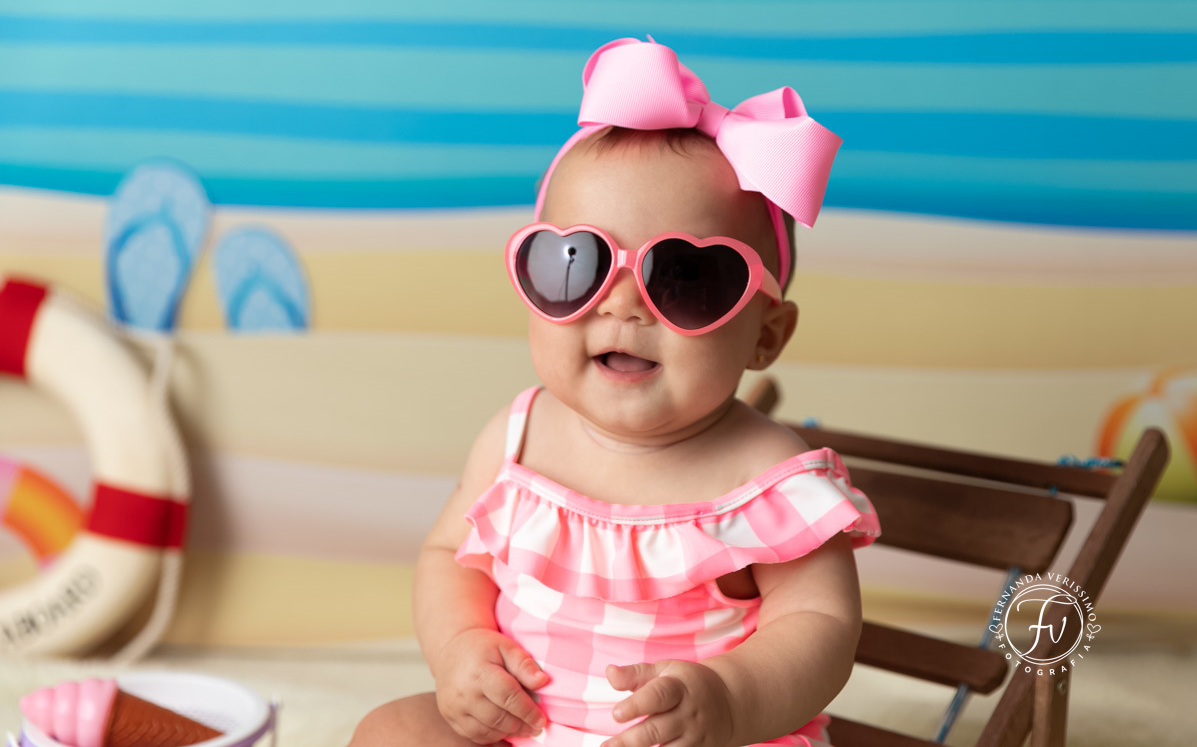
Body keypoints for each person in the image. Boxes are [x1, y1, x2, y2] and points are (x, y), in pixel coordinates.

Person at [350, 37, 880, 747]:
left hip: (695, 738)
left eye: (686, 279)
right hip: (525, 729)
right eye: (576, 263)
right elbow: (449, 558)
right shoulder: (516, 439)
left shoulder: (770, 483)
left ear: (766, 334)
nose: (622, 305)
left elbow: (822, 627)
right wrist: (460, 650)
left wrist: (729, 698)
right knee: (390, 730)